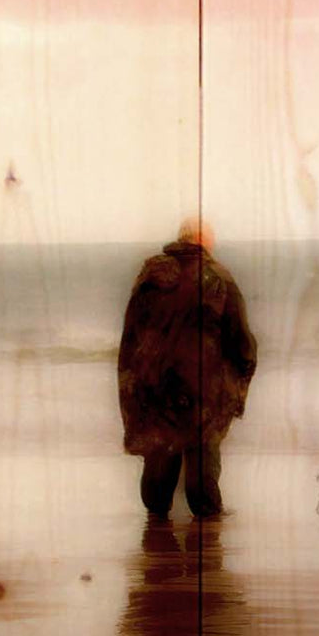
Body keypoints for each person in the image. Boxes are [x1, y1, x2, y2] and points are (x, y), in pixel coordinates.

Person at [118, 219, 257, 519]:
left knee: (159, 463)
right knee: (202, 467)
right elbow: (242, 340)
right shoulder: (217, 277)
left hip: (155, 385)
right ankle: (207, 537)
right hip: (202, 389)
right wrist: (241, 380)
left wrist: (133, 384)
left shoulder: (150, 278)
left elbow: (131, 334)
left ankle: (156, 532)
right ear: (204, 242)